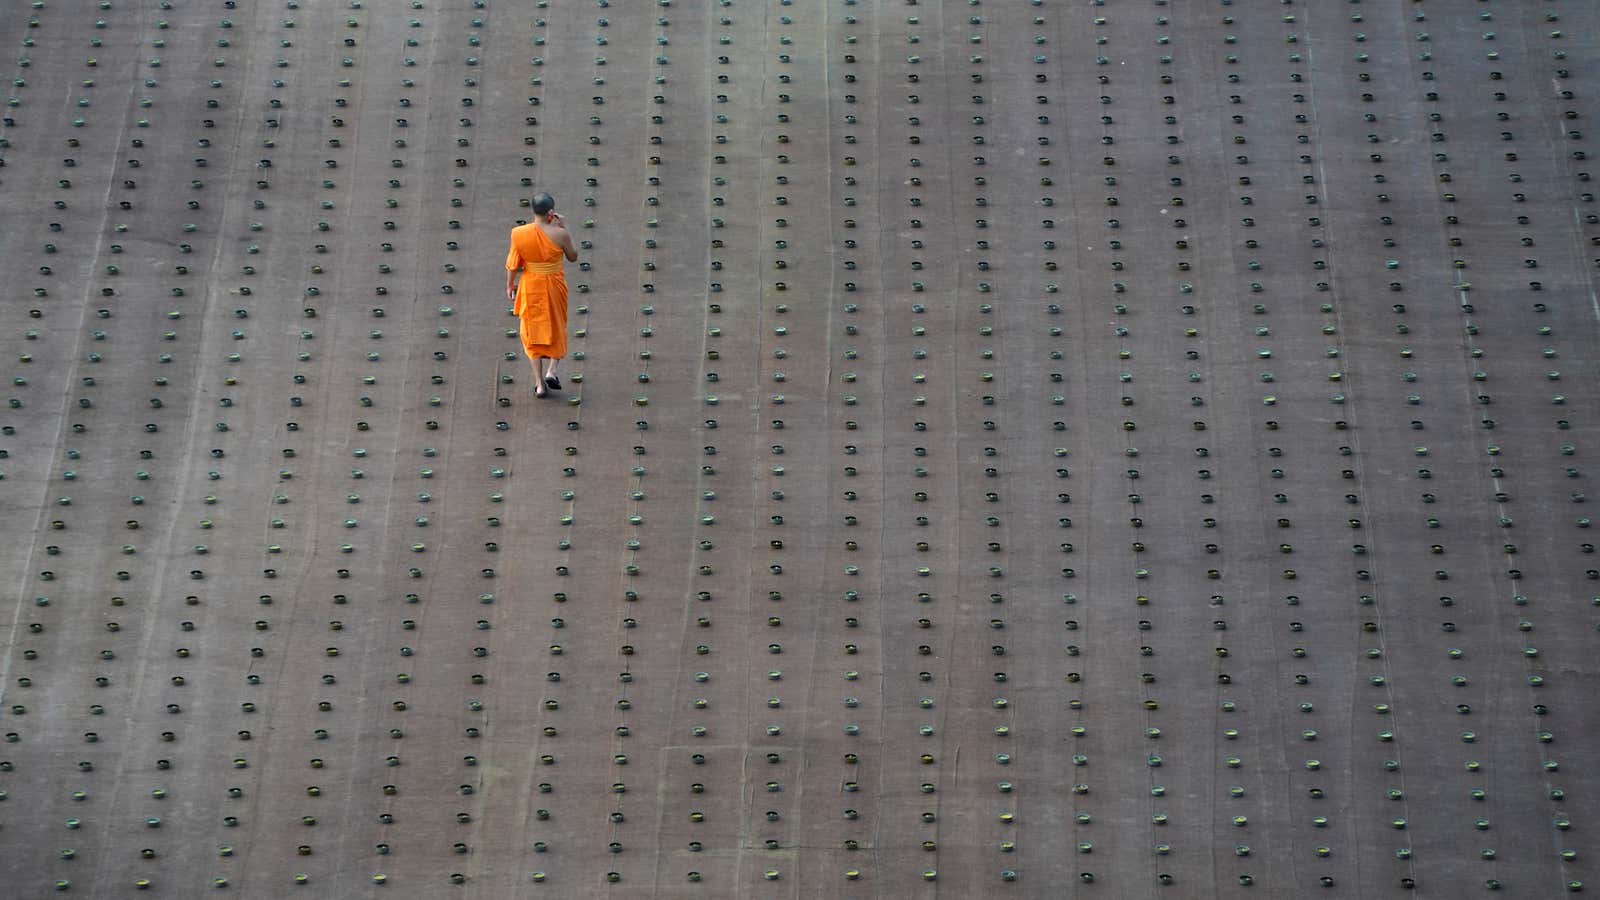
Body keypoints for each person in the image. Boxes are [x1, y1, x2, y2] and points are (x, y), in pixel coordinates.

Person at [506, 192, 579, 398]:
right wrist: (564, 228)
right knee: (557, 324)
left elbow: (513, 263)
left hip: (530, 286)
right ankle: (552, 371)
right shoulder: (559, 234)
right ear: (551, 212)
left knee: (531, 332)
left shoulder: (518, 233)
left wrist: (511, 285)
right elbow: (573, 257)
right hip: (553, 285)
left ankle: (539, 384)